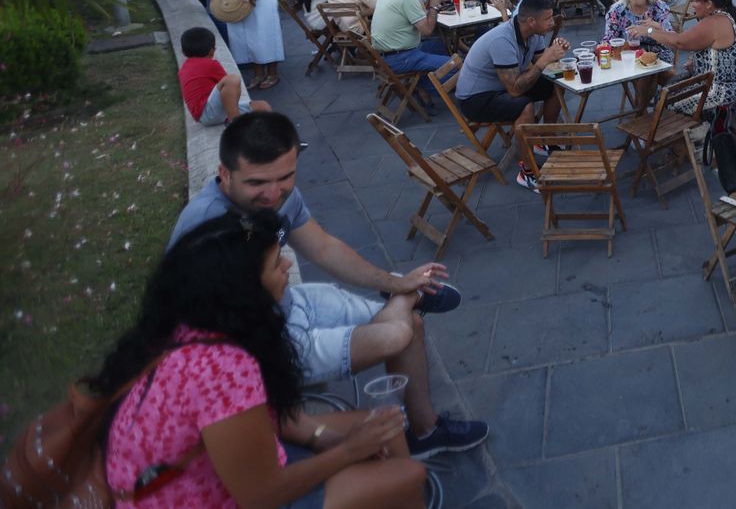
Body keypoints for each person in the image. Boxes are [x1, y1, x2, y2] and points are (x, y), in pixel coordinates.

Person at [167, 113, 487, 462]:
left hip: (292, 302)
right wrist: (401, 290)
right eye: (258, 182)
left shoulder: (277, 195)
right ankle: (405, 300)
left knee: (413, 324)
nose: (274, 193)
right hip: (259, 343)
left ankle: (425, 430)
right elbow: (209, 337)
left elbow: (322, 247)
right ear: (224, 174)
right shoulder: (207, 227)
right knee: (400, 331)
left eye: (285, 177)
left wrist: (392, 280)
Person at [98, 212, 427, 508]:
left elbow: (259, 419)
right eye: (275, 263)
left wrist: (326, 439)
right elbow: (261, 496)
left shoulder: (191, 326)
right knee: (409, 475)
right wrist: (347, 451)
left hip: (216, 472)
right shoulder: (222, 368)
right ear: (243, 290)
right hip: (207, 496)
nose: (286, 264)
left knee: (385, 428)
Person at [627, 0, 736, 117]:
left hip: (725, 91)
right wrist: (660, 29)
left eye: (695, 1)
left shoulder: (713, 23)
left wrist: (648, 31)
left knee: (665, 99)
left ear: (709, 4)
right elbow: (686, 39)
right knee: (668, 89)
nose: (692, 5)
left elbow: (680, 43)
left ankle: (681, 133)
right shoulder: (724, 16)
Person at [370, 0, 455, 93]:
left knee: (439, 44)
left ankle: (429, 82)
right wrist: (434, 5)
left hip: (386, 55)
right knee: (457, 65)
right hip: (401, 58)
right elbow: (427, 31)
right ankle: (424, 88)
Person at [179, 27, 271, 126]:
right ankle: (236, 123)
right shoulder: (210, 64)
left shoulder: (184, 68)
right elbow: (230, 85)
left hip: (210, 111)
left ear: (183, 52)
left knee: (262, 106)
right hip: (208, 113)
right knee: (233, 79)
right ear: (212, 51)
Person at [604, 0, 676, 69]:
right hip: (628, 52)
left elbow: (672, 39)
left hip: (659, 50)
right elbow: (609, 40)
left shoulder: (659, 7)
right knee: (644, 72)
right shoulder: (616, 11)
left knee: (657, 70)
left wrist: (658, 27)